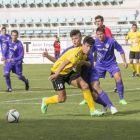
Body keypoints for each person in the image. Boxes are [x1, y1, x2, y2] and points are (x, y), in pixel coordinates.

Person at [43, 30, 117, 114]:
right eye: (72, 39)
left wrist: (82, 62)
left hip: (89, 72)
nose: (74, 40)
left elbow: (91, 64)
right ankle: (46, 101)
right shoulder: (72, 50)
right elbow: (60, 61)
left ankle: (98, 109)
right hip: (62, 73)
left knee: (92, 87)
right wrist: (48, 56)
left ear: (81, 39)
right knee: (63, 98)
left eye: (76, 38)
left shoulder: (86, 49)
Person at [92, 27, 128, 105]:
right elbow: (89, 53)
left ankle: (121, 99)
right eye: (98, 34)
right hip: (100, 64)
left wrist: (124, 61)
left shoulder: (111, 41)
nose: (100, 36)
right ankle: (88, 97)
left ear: (104, 34)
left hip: (111, 63)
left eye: (101, 34)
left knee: (118, 77)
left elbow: (120, 50)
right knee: (93, 80)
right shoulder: (95, 42)